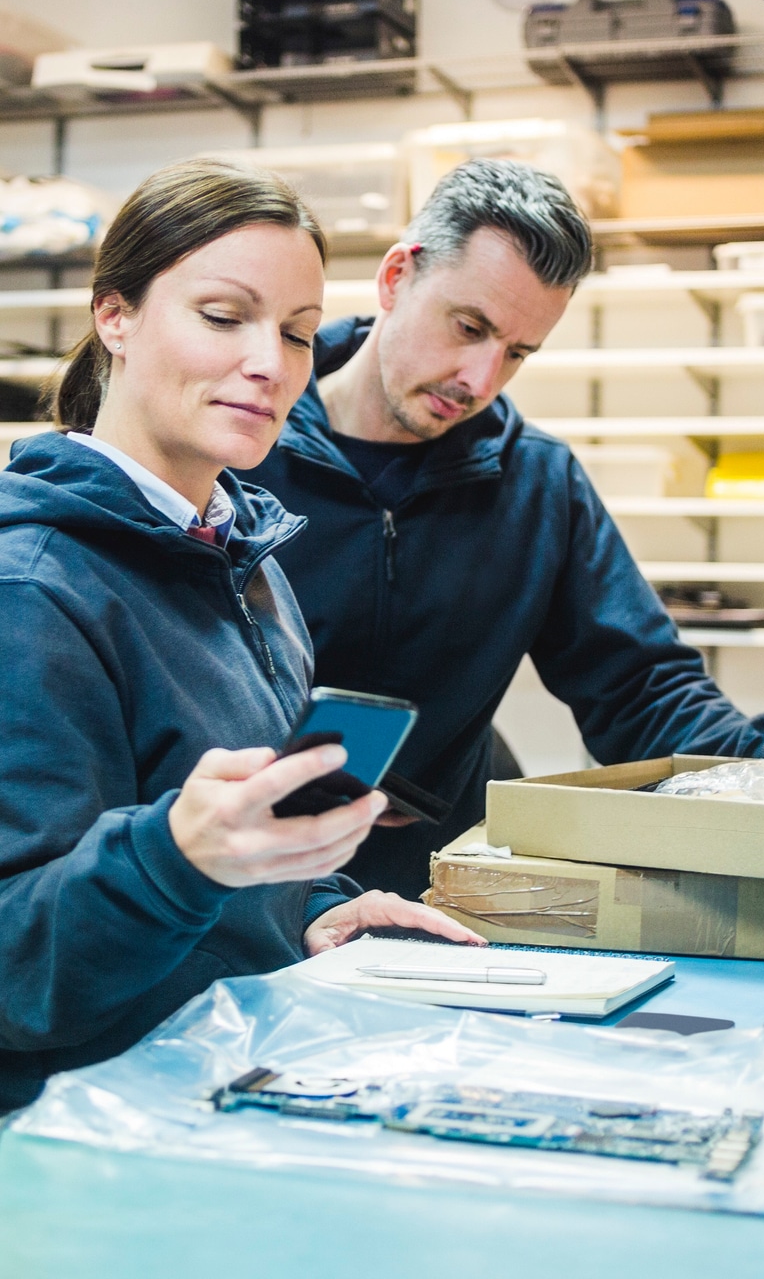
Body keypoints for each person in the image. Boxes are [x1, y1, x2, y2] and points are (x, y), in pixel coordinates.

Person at [0, 161, 479, 1114]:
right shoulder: (32, 592)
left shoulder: (243, 556)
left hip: (229, 1075)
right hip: (85, 1135)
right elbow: (16, 971)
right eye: (225, 317)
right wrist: (174, 859)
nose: (273, 362)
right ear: (116, 317)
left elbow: (229, 864)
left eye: (299, 332)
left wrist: (314, 906)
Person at [247, 159, 764, 899]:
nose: (480, 379)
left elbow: (641, 690)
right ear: (395, 278)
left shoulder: (538, 483)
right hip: (239, 884)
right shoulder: (241, 450)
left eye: (516, 353)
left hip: (438, 895)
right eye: (469, 327)